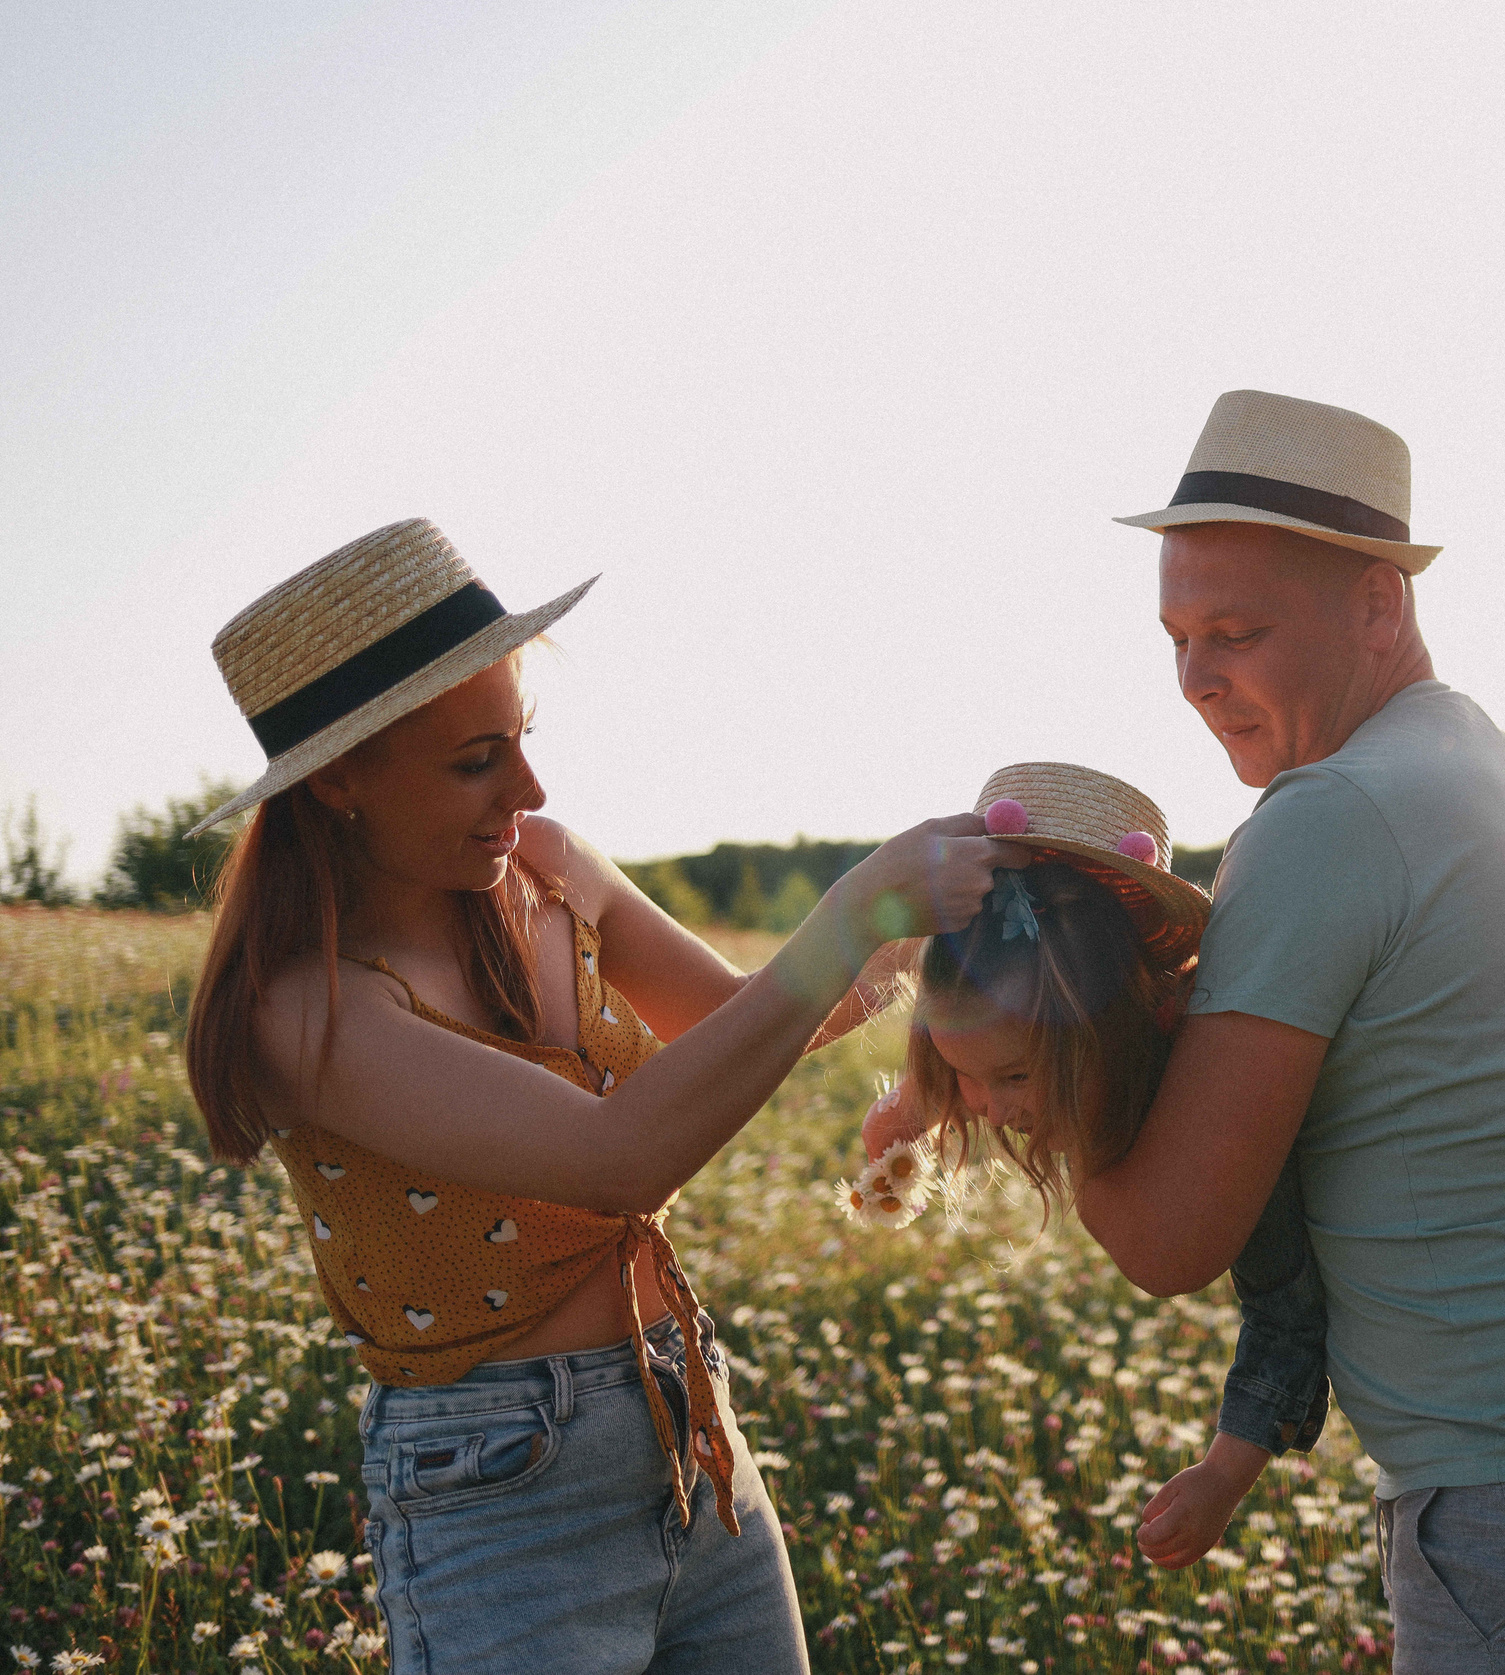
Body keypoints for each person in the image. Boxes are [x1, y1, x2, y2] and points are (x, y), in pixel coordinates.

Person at [179, 518, 1020, 1675]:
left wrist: (922, 934)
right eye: (476, 759)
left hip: (688, 1424)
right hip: (493, 1492)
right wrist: (852, 911)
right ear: (339, 781)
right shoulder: (308, 1012)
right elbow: (621, 1159)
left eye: (522, 738)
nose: (528, 785)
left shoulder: (547, 869)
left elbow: (743, 1021)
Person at [1073, 391, 1505, 1672]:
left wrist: (1049, 1062)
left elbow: (1169, 1239)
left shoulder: (1325, 817)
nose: (1197, 679)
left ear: (1379, 605)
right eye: (1176, 636)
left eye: (1237, 632)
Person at [862, 765, 1505, 1571]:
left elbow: (1287, 1312)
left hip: (1485, 1090)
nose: (992, 1110)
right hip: (1480, 1051)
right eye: (966, 1079)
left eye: (1011, 1080)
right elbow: (981, 1052)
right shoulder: (1065, 1036)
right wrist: (918, 1105)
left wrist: (1225, 1471)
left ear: (1094, 1038)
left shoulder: (1215, 1106)